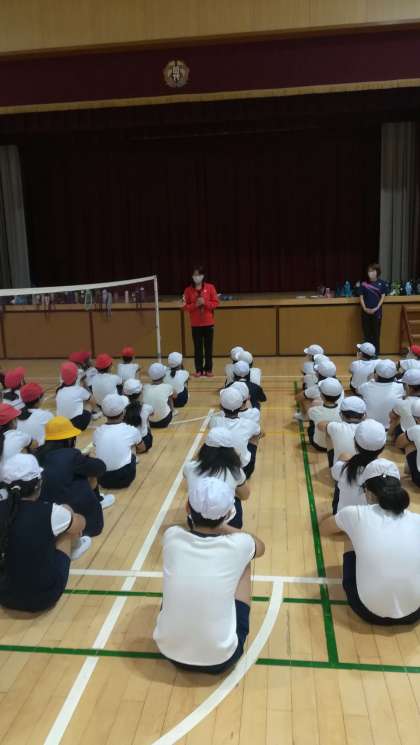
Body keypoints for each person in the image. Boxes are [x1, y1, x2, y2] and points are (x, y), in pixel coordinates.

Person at [153, 477, 265, 673]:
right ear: (229, 513)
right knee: (244, 564)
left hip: (168, 651)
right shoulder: (240, 544)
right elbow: (260, 547)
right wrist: (222, 526)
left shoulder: (171, 536)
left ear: (187, 508)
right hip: (221, 659)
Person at [320, 462, 420, 626]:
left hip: (367, 611)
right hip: (414, 612)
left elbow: (324, 529)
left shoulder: (356, 514)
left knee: (349, 535)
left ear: (368, 491)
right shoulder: (417, 520)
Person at [0, 454, 86, 612]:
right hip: (44, 597)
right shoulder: (50, 511)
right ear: (38, 484)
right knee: (67, 521)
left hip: (4, 596)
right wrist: (72, 516)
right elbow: (80, 524)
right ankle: (76, 547)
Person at [36, 416, 111, 559]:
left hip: (46, 517)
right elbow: (100, 467)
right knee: (87, 474)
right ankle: (77, 541)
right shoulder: (71, 455)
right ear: (69, 439)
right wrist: (87, 459)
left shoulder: (36, 454)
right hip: (77, 518)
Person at [183, 428, 250, 529]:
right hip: (230, 523)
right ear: (230, 450)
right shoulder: (235, 471)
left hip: (195, 522)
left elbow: (192, 465)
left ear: (204, 447)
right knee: (236, 495)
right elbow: (245, 495)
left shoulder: (189, 467)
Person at [330, 419, 386, 513]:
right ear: (383, 447)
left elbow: (334, 473)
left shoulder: (342, 468)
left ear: (355, 443)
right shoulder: (389, 469)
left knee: (343, 460)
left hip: (343, 517)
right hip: (372, 520)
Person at [93, 394, 144, 489]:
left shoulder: (97, 431)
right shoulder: (131, 430)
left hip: (102, 480)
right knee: (132, 445)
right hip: (125, 478)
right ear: (124, 412)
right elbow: (142, 448)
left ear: (103, 413)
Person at [210, 388, 260, 479]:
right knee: (255, 436)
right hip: (244, 470)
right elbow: (259, 432)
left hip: (220, 471)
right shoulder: (249, 424)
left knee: (213, 438)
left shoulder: (214, 421)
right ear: (241, 406)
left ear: (221, 406)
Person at [183, 266, 219, 378]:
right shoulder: (188, 290)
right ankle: (199, 370)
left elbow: (215, 304)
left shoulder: (210, 287)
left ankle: (208, 369)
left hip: (208, 323)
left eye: (198, 274)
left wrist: (205, 303)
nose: (196, 277)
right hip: (196, 324)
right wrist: (195, 305)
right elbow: (185, 307)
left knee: (208, 348)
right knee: (198, 348)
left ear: (203, 276)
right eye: (194, 275)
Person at [317, 396, 366, 467]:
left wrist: (334, 423)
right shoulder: (370, 428)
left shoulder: (335, 427)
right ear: (364, 415)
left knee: (328, 432)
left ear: (341, 415)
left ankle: (332, 465)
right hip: (365, 471)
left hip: (339, 470)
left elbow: (320, 425)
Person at [358, 359, 403, 429]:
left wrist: (370, 380)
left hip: (369, 426)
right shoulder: (400, 387)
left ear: (376, 375)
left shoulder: (366, 386)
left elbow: (357, 390)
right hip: (391, 428)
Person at [307, 378, 343, 453]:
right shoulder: (344, 410)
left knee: (311, 424)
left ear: (321, 396)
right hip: (337, 446)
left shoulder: (313, 410)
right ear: (339, 396)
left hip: (319, 446)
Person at [359, 262, 387, 355]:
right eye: (369, 271)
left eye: (372, 271)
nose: (370, 273)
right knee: (367, 334)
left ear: (377, 272)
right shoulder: (363, 284)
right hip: (365, 313)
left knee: (376, 334)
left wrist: (376, 308)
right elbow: (361, 297)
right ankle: (366, 354)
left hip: (377, 313)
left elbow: (382, 297)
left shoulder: (382, 283)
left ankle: (376, 354)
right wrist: (365, 308)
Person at [56, 362, 93, 431]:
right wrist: (84, 384)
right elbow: (93, 400)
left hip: (62, 424)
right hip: (77, 425)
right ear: (76, 377)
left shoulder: (59, 391)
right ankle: (94, 414)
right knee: (89, 404)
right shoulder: (79, 390)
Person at [0, 403, 33, 471]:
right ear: (13, 421)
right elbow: (35, 444)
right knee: (26, 449)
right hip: (11, 475)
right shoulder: (17, 435)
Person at [389, 369, 420, 442]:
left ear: (408, 387)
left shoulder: (401, 403)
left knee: (395, 417)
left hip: (406, 438)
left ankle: (389, 437)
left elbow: (392, 417)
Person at [123, 379, 154, 451]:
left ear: (125, 394)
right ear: (141, 392)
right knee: (146, 419)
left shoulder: (122, 407)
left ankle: (133, 448)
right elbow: (153, 413)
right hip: (145, 442)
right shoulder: (146, 407)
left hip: (127, 443)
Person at [142, 363, 175, 428]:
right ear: (164, 375)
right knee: (169, 398)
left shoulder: (145, 387)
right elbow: (175, 396)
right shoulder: (167, 386)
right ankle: (173, 411)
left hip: (149, 422)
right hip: (164, 421)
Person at [395, 399, 420, 486]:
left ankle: (410, 471)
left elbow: (398, 443)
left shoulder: (416, 429)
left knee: (410, 444)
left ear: (416, 419)